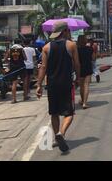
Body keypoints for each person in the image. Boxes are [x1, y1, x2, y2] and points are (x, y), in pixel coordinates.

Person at [36, 21, 81, 153]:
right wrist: (78, 78)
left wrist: (39, 85)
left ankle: (57, 137)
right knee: (69, 113)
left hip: (52, 84)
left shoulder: (46, 47)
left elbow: (43, 67)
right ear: (65, 31)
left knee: (54, 112)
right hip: (66, 83)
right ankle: (61, 133)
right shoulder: (71, 45)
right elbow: (77, 64)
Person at [5, 39, 27, 104]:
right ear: (20, 42)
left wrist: (10, 61)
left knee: (14, 83)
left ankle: (14, 99)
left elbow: (5, 59)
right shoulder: (21, 49)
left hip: (13, 67)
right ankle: (25, 96)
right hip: (21, 67)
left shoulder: (10, 50)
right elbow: (25, 58)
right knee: (24, 81)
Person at [77, 35, 95, 109]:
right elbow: (93, 58)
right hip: (88, 67)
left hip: (80, 68)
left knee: (81, 86)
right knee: (86, 85)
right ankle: (85, 103)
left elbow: (75, 60)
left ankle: (82, 101)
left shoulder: (77, 49)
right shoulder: (90, 48)